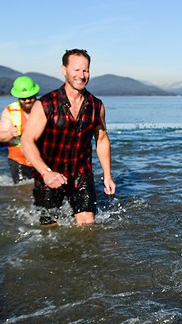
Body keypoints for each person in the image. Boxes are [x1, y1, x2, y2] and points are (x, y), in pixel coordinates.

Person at [20, 49, 115, 225]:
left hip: (81, 173)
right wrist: (46, 172)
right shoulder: (46, 104)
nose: (82, 75)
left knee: (88, 224)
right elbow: (26, 141)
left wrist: (107, 175)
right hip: (50, 172)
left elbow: (102, 140)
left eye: (86, 70)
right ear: (64, 70)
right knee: (49, 226)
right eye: (76, 70)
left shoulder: (96, 106)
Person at [0, 76, 41, 183]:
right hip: (19, 160)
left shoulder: (44, 107)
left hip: (41, 159)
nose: (27, 100)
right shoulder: (10, 111)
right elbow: (1, 137)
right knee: (21, 189)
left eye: (30, 97)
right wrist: (10, 133)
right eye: (23, 98)